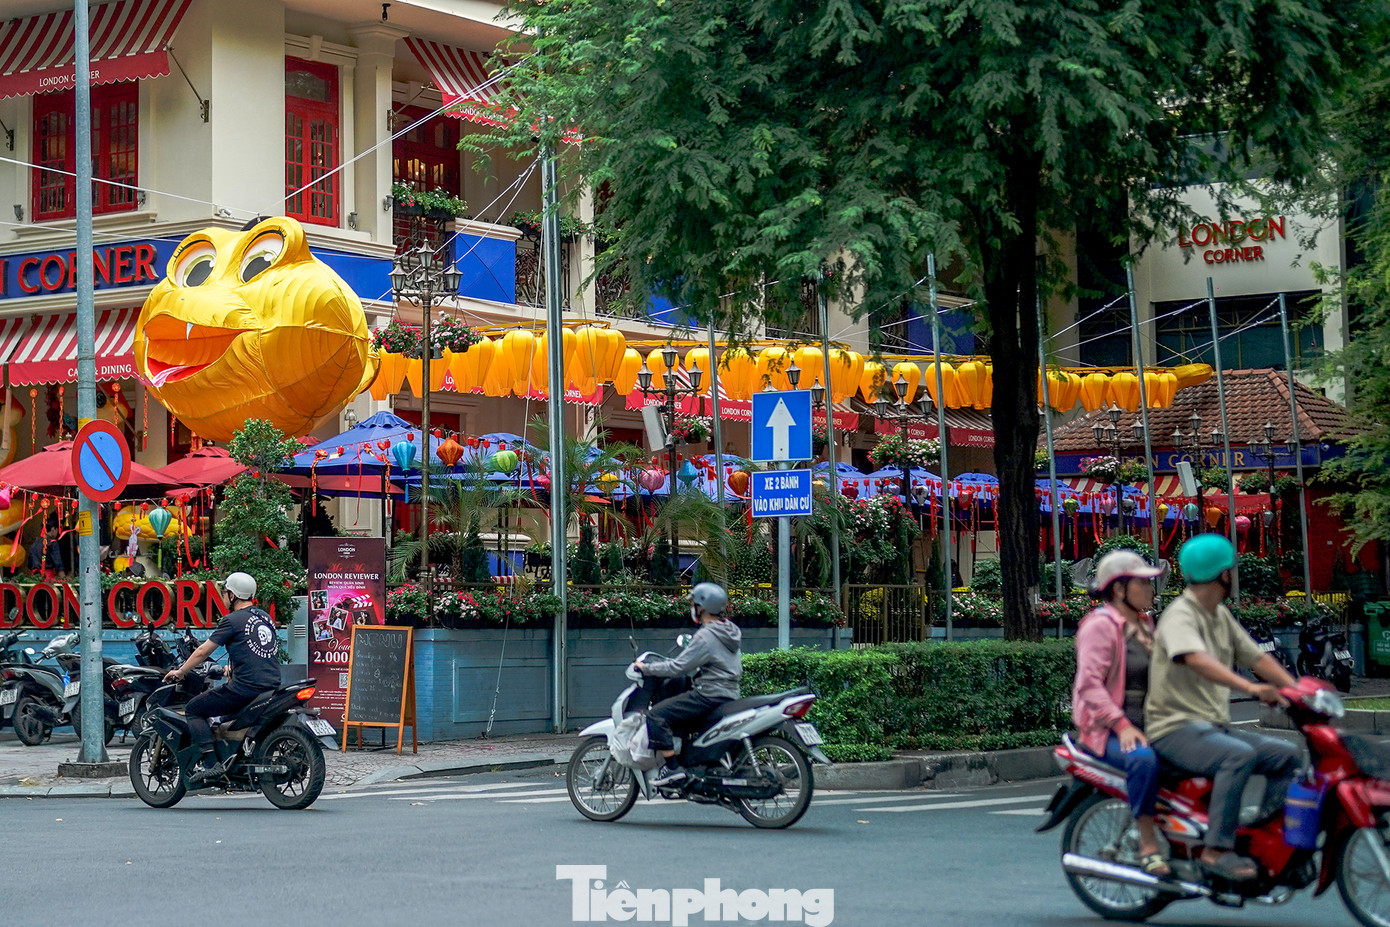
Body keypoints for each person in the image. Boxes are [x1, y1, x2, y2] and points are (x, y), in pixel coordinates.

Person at [1147, 534, 1299, 882]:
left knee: (1287, 755)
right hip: (1174, 728)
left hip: (1212, 726)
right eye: (1231, 568)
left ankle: (1266, 840)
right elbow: (1195, 658)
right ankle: (1216, 850)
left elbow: (1257, 657)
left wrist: (1298, 690)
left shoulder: (1219, 615)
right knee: (1237, 756)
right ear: (1223, 574)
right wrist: (1249, 687)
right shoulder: (1180, 615)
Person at [1072, 550, 1170, 878]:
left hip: (1152, 723)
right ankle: (1147, 843)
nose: (1151, 590)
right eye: (1143, 583)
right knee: (1143, 760)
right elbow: (1089, 685)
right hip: (1109, 731)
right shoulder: (1099, 626)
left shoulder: (1145, 623)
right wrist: (1121, 724)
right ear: (1118, 589)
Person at [163, 572, 281, 782]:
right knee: (222, 718)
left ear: (233, 595)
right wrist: (229, 670)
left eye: (226, 593)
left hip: (244, 689)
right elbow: (253, 651)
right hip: (271, 686)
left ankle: (210, 763)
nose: (224, 597)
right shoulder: (265, 617)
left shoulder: (232, 620)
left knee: (193, 709)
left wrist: (181, 671)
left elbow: (202, 652)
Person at [635, 582, 742, 786]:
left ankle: (672, 769)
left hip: (709, 694)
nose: (692, 609)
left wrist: (646, 667)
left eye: (694, 604)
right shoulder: (729, 631)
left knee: (656, 715)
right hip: (729, 692)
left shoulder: (706, 635)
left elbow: (678, 667)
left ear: (701, 608)